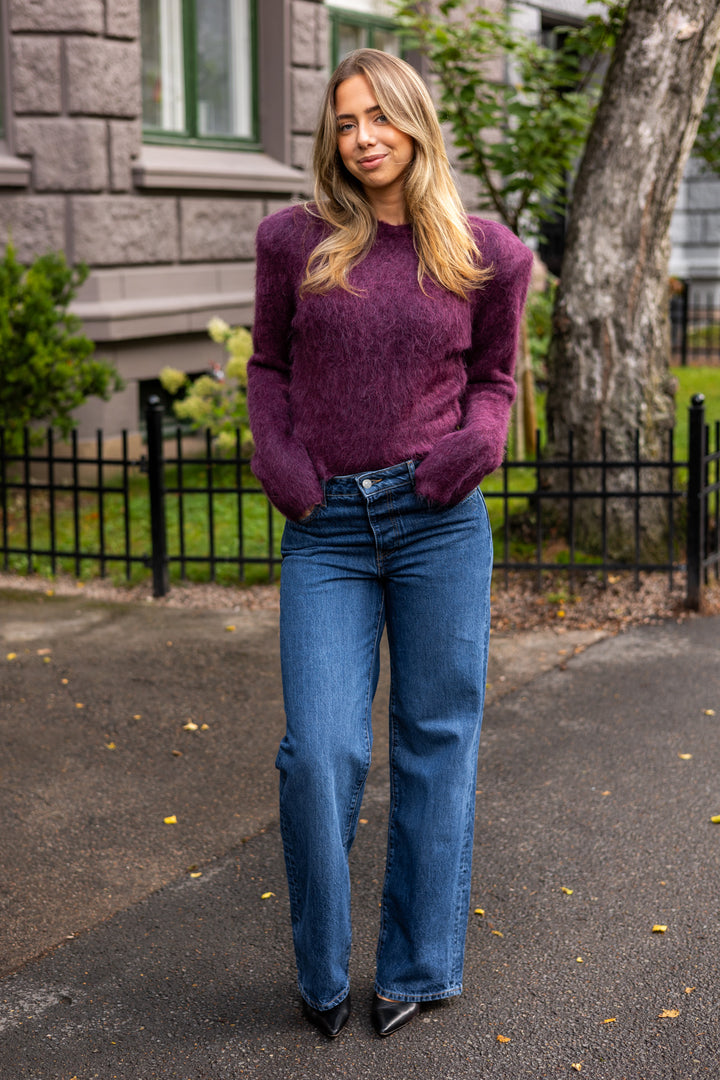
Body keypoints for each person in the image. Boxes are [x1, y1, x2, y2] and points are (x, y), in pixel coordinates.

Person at [247, 48, 533, 1039]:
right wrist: (282, 464)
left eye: (379, 116)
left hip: (437, 522)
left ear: (415, 121)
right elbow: (269, 367)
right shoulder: (293, 240)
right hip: (326, 527)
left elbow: (494, 379)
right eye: (345, 122)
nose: (363, 137)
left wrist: (478, 444)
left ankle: (417, 965)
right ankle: (323, 975)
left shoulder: (487, 252)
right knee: (319, 753)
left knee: (436, 741)